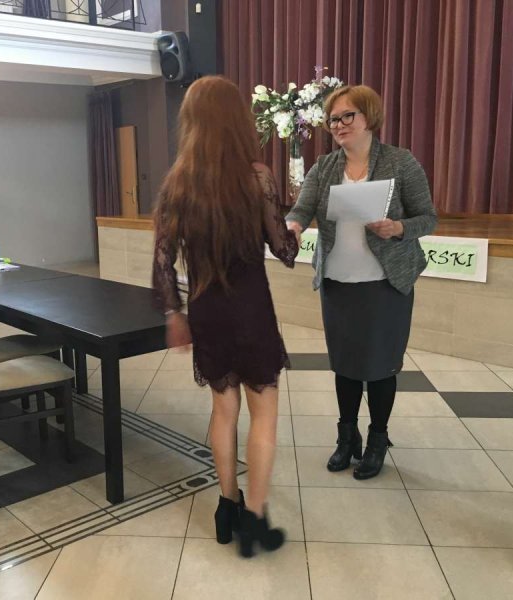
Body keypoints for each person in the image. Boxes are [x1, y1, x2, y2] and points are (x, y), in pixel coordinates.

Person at [152, 76, 299, 558]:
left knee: (223, 409)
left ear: (191, 121)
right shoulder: (257, 177)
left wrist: (174, 313)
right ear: (237, 120)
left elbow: (162, 261)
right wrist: (293, 227)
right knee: (264, 414)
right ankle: (254, 519)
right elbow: (284, 251)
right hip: (252, 308)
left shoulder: (177, 183)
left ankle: (226, 506)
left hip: (207, 310)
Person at [285, 85, 437, 480]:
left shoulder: (400, 163)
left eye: (347, 116)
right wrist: (293, 227)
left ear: (369, 117)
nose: (338, 125)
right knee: (346, 365)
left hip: (385, 285)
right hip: (337, 283)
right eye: (333, 119)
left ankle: (377, 439)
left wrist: (398, 228)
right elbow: (302, 208)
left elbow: (428, 218)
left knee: (381, 366)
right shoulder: (324, 167)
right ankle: (347, 436)